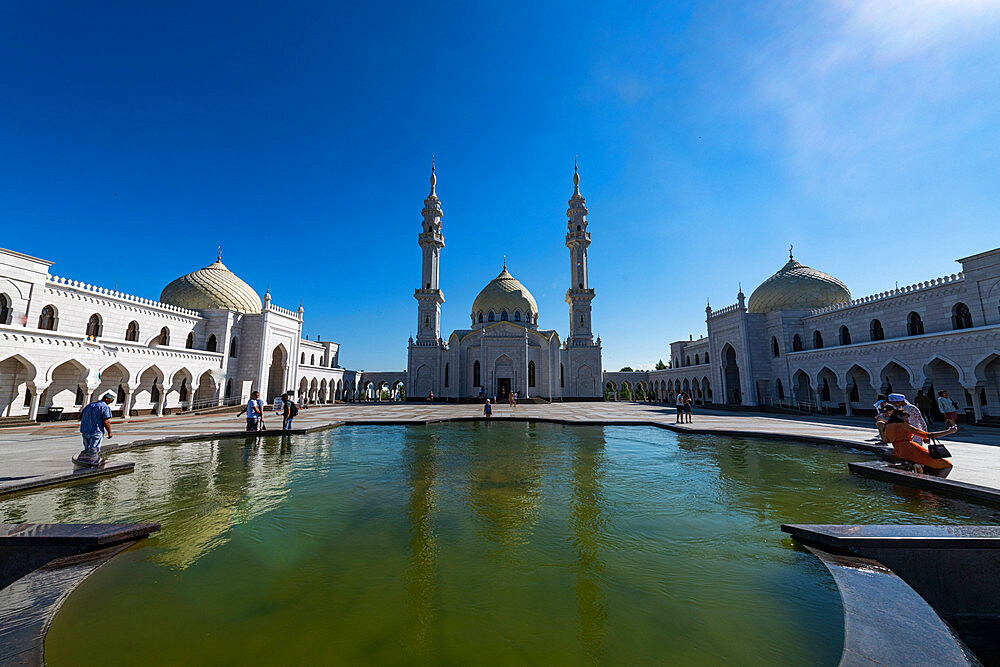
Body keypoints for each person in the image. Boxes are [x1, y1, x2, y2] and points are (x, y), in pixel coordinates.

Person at [883, 408, 957, 477]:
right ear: (899, 416)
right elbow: (927, 435)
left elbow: (886, 440)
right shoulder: (904, 425)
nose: (907, 419)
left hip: (899, 451)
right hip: (911, 450)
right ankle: (935, 483)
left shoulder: (888, 426)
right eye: (906, 417)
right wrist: (949, 431)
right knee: (947, 465)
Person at [76, 392, 115, 466]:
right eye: (111, 400)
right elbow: (106, 421)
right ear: (106, 399)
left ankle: (85, 463)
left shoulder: (89, 405)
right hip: (96, 432)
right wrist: (109, 432)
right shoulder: (105, 407)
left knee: (87, 449)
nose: (111, 402)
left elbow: (80, 417)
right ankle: (93, 465)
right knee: (94, 449)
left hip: (85, 431)